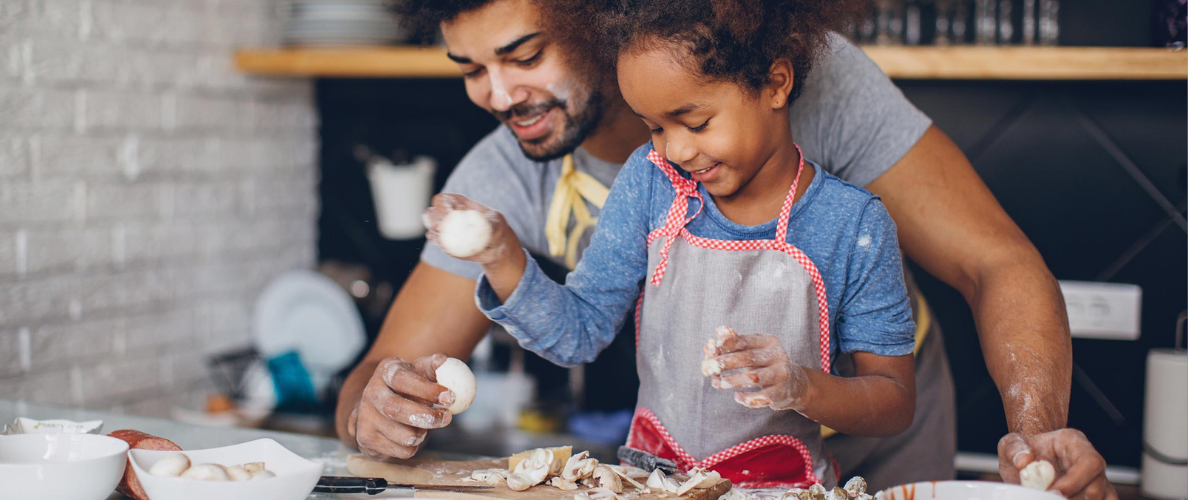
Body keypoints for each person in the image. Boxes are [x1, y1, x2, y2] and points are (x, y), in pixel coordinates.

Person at [335, 0, 1115, 498]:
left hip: (880, 440)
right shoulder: (532, 173)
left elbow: (997, 263)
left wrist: (1036, 426)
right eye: (470, 69)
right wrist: (375, 407)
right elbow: (386, 370)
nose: (498, 96)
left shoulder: (804, 89)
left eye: (525, 53)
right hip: (688, 467)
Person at [422, 0, 915, 487]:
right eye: (654, 127)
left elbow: (893, 403)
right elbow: (577, 333)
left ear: (775, 83)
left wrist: (799, 385)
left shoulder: (852, 225)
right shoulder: (652, 184)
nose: (675, 150)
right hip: (654, 480)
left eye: (696, 123)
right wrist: (501, 255)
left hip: (780, 485)